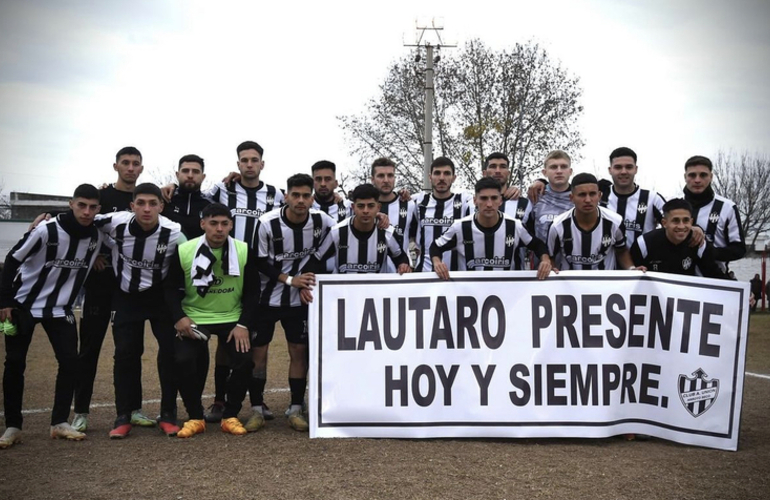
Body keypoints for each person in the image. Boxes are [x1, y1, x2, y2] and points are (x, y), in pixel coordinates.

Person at [0, 185, 104, 448]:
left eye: (93, 207)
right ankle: (13, 426)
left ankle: (59, 422)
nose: (87, 211)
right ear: (71, 204)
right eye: (81, 205)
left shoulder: (97, 234)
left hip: (60, 309)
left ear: (98, 209)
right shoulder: (47, 230)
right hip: (24, 304)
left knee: (71, 363)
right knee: (15, 364)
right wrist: (5, 301)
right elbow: (12, 260)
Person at [199, 142, 283, 423]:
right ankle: (220, 401)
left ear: (262, 164)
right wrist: (168, 189)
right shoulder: (222, 190)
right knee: (226, 342)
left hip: (260, 277)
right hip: (226, 277)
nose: (249, 164)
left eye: (254, 160)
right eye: (244, 160)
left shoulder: (275, 195)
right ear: (237, 165)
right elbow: (193, 199)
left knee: (259, 344)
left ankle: (257, 402)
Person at [94, 183, 184, 439]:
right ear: (132, 206)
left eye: (152, 203)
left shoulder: (174, 232)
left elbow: (192, 254)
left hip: (160, 299)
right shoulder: (115, 222)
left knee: (170, 354)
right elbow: (84, 220)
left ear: (161, 206)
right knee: (125, 354)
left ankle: (168, 414)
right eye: (141, 203)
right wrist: (97, 253)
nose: (146, 209)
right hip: (126, 297)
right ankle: (124, 415)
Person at [163, 203, 258, 438]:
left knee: (245, 361)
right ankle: (195, 417)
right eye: (213, 223)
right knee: (183, 359)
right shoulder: (185, 250)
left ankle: (230, 415)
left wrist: (243, 324)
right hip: (195, 316)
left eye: (224, 224)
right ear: (202, 223)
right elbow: (169, 289)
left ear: (231, 225)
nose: (219, 229)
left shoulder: (243, 250)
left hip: (231, 317)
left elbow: (253, 292)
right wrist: (179, 318)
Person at [73, 146, 149, 433]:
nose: (130, 168)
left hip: (129, 289)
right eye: (126, 163)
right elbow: (80, 223)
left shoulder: (144, 199)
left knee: (130, 351)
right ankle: (80, 411)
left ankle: (134, 408)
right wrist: (92, 257)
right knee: (89, 349)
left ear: (141, 169)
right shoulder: (101, 197)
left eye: (136, 164)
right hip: (99, 287)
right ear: (116, 166)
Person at [252, 174, 335, 432]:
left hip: (299, 300)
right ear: (285, 196)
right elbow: (259, 262)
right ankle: (256, 408)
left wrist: (379, 218)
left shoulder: (323, 221)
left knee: (299, 352)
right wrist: (291, 281)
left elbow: (345, 229)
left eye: (305, 196)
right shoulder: (267, 223)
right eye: (295, 195)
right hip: (266, 297)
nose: (300, 200)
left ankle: (295, 407)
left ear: (312, 198)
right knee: (259, 353)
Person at [429, 177, 553, 280]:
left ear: (500, 201)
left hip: (507, 296)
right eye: (483, 198)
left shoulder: (514, 226)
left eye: (494, 198)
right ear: (475, 200)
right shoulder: (460, 227)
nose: (489, 204)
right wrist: (437, 263)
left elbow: (538, 245)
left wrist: (546, 260)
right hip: (469, 294)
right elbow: (435, 247)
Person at [310, 183, 412, 275]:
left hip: (377, 294)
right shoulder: (338, 232)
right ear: (353, 207)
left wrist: (403, 265)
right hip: (342, 293)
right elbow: (316, 261)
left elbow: (400, 257)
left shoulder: (387, 233)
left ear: (378, 207)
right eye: (361, 206)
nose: (366, 211)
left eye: (371, 206)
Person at [547, 173, 636, 271]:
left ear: (599, 196)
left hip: (605, 284)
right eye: (582, 195)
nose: (588, 200)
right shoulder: (557, 226)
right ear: (571, 198)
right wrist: (552, 269)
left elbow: (622, 251)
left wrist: (632, 269)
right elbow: (550, 257)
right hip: (570, 284)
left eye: (592, 194)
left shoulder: (615, 222)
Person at [630, 198, 726, 278]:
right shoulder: (644, 243)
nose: (681, 226)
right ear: (664, 223)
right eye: (675, 221)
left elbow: (714, 275)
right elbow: (630, 276)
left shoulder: (699, 243)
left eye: (686, 220)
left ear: (691, 222)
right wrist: (634, 271)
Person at [682, 155, 746, 272]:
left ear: (711, 177)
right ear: (685, 177)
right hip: (676, 280)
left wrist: (707, 251)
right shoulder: (674, 204)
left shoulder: (727, 207)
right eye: (692, 175)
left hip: (713, 281)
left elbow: (739, 249)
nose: (697, 180)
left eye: (703, 175)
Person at [413, 157, 474, 272]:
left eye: (447, 173)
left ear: (454, 178)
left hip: (455, 276)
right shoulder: (419, 201)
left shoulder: (465, 201)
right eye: (437, 173)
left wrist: (511, 192)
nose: (442, 178)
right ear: (430, 177)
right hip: (424, 275)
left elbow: (488, 203)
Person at [602, 147, 666, 247]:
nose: (623, 171)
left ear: (636, 169)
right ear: (610, 170)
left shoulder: (652, 198)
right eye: (618, 167)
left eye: (629, 167)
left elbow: (674, 222)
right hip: (608, 261)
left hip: (642, 262)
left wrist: (695, 228)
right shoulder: (600, 197)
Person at [483, 152, 535, 269]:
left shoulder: (525, 204)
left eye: (502, 166)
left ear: (508, 173)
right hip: (479, 279)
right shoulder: (472, 204)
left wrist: (541, 181)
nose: (497, 171)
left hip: (514, 279)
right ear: (484, 173)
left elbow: (536, 241)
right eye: (493, 166)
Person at [370, 158, 419, 271]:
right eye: (381, 176)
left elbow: (419, 240)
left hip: (400, 275)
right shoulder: (363, 208)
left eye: (390, 175)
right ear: (372, 179)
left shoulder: (409, 205)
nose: (386, 180)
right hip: (371, 275)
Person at [162, 154, 211, 239]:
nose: (190, 175)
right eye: (185, 171)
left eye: (195, 171)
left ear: (203, 177)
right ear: (177, 175)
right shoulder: (164, 199)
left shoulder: (210, 205)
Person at [532, 150, 574, 244]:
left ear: (570, 171)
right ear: (544, 172)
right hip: (542, 257)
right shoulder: (535, 196)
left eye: (563, 167)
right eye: (553, 167)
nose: (559, 171)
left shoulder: (580, 197)